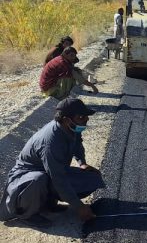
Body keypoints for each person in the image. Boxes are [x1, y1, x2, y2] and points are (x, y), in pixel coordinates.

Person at [0, 98, 101, 229]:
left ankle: (48, 204)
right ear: (66, 119)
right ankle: (27, 215)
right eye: (81, 117)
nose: (86, 120)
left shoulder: (71, 129)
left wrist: (82, 163)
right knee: (39, 179)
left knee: (93, 178)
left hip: (49, 172)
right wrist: (79, 207)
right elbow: (58, 178)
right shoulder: (50, 142)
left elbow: (77, 145)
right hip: (25, 178)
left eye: (86, 117)